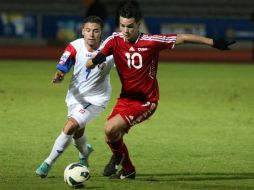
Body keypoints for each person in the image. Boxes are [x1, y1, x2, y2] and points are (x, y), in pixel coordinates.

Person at [86, 1, 236, 180]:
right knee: (110, 135)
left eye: (130, 26)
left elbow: (183, 38)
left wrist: (214, 43)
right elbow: (89, 62)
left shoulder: (151, 42)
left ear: (138, 24)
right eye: (122, 26)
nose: (125, 31)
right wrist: (96, 60)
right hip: (125, 99)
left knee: (110, 128)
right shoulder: (114, 40)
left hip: (146, 101)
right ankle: (128, 170)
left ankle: (119, 157)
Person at [35, 16, 114, 178]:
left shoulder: (110, 50)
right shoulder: (74, 46)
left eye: (96, 31)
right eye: (88, 30)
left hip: (96, 99)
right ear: (82, 31)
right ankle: (85, 153)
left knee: (70, 126)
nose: (91, 34)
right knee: (78, 132)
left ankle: (47, 163)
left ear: (101, 33)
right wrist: (59, 75)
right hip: (75, 96)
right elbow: (63, 66)